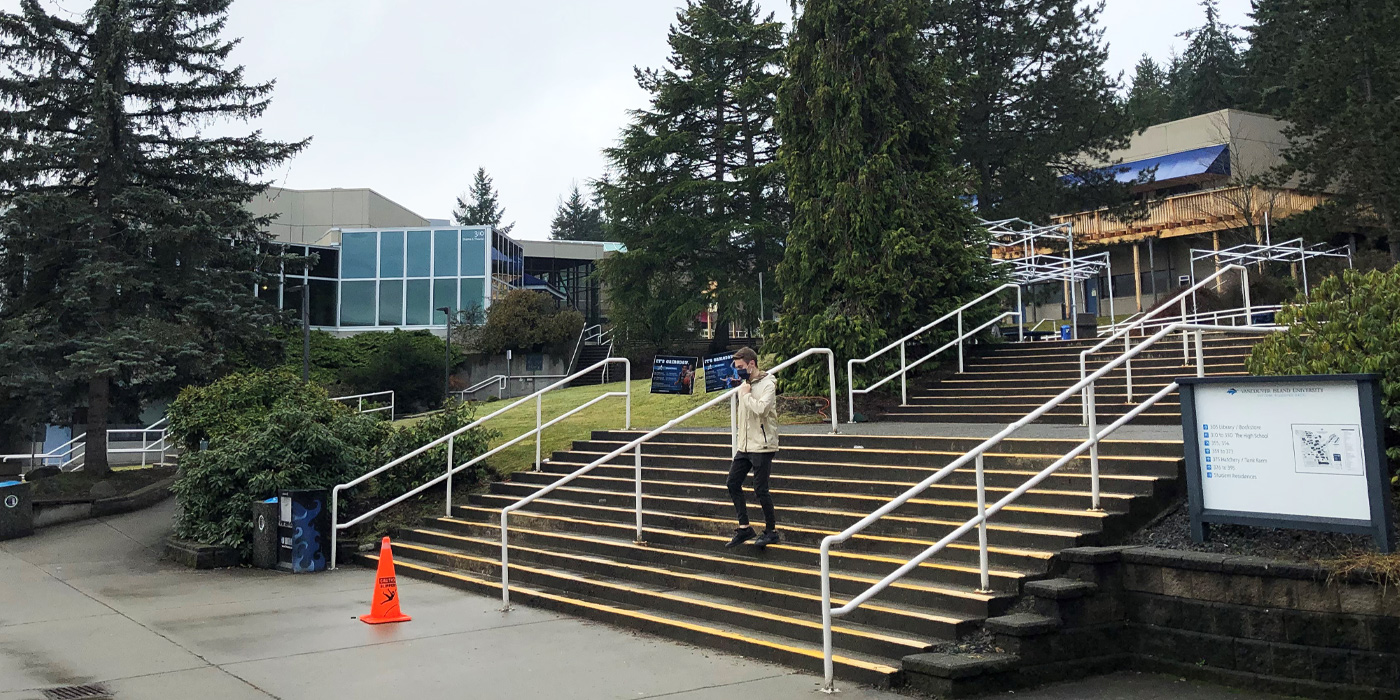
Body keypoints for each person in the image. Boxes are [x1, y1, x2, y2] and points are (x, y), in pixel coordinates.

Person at [725, 347, 781, 548]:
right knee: (732, 483)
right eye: (736, 366)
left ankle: (771, 530)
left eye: (741, 367)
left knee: (760, 489)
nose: (738, 370)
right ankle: (744, 527)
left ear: (752, 364)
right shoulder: (744, 384)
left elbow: (762, 410)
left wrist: (746, 396)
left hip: (763, 445)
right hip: (745, 445)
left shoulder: (768, 384)